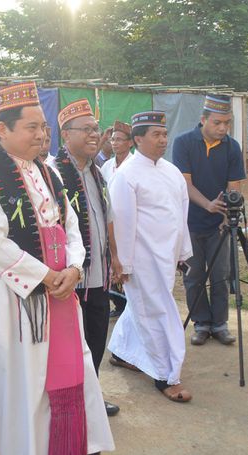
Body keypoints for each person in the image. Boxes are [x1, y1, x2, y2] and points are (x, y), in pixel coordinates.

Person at [0, 82, 129, 455]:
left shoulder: (48, 172)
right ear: (3, 130)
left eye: (43, 129)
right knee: (24, 378)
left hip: (60, 292)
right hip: (12, 295)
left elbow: (71, 227)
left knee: (78, 373)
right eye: (31, 128)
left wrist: (73, 266)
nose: (41, 136)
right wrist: (45, 276)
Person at [107, 111, 193, 403]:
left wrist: (183, 253)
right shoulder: (126, 175)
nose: (163, 140)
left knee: (141, 308)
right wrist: (123, 264)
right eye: (156, 135)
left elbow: (181, 215)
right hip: (141, 260)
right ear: (138, 139)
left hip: (166, 258)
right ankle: (165, 375)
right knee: (155, 313)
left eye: (165, 134)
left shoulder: (171, 171)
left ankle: (120, 352)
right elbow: (122, 223)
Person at [53, 99, 121, 417]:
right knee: (70, 347)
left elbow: (107, 218)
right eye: (87, 129)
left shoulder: (98, 172)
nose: (96, 134)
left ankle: (91, 397)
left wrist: (116, 260)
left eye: (96, 128)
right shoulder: (53, 174)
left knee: (96, 339)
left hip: (99, 276)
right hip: (71, 278)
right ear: (66, 134)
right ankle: (72, 404)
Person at [173, 94, 245, 345]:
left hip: (220, 225)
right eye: (218, 123)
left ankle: (220, 323)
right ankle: (201, 323)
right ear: (203, 119)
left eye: (227, 122)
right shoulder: (183, 143)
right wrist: (208, 204)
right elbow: (185, 183)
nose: (223, 128)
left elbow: (233, 186)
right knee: (193, 276)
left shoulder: (232, 146)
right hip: (190, 222)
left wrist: (227, 213)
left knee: (220, 275)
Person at [100, 120, 133, 318]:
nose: (115, 143)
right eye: (113, 139)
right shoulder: (107, 165)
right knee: (112, 265)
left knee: (127, 263)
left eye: (120, 140)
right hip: (110, 223)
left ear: (130, 143)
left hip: (127, 224)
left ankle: (130, 306)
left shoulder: (133, 165)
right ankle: (119, 305)